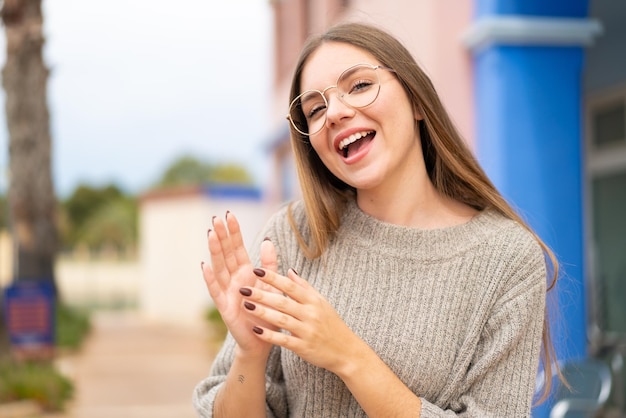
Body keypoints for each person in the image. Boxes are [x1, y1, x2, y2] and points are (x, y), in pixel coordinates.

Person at [193, 22, 561, 417]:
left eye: (359, 85)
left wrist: (349, 357)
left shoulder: (505, 259)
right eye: (315, 109)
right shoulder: (293, 235)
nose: (334, 112)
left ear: (418, 101)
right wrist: (250, 355)